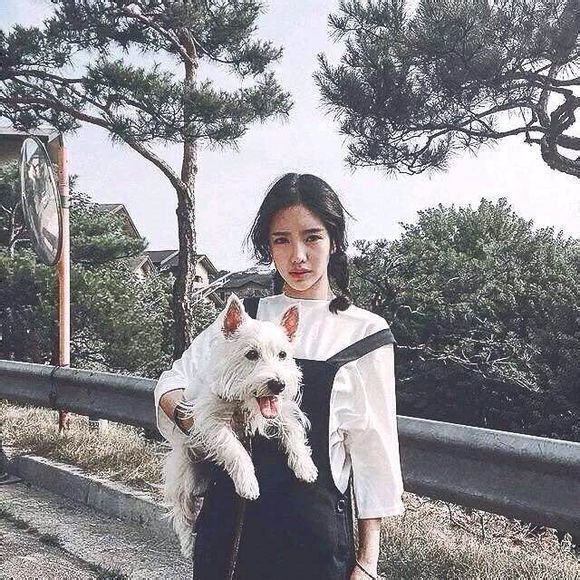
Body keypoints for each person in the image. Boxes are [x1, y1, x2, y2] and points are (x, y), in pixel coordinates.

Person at [154, 173, 405, 580]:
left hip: (316, 546)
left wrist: (367, 562)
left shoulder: (365, 335)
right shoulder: (246, 318)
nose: (298, 256)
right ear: (268, 247)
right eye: (282, 240)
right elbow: (171, 382)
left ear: (334, 241)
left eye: (312, 237)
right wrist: (199, 419)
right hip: (230, 537)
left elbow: (374, 453)